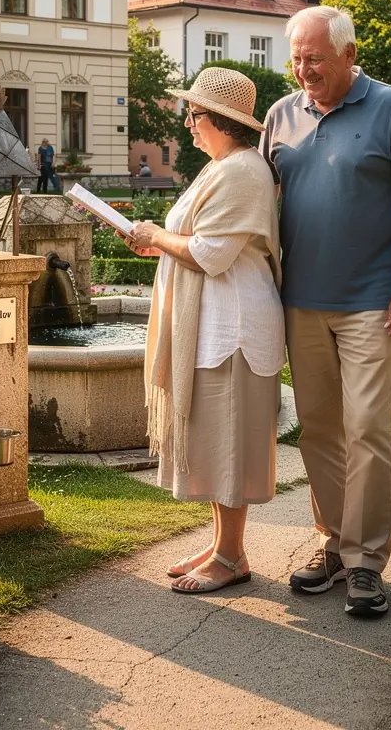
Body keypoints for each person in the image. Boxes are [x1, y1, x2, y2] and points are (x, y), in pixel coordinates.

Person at [260, 5, 391, 619]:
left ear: (349, 55)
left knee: (368, 430)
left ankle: (365, 563)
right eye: (297, 59)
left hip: (372, 302)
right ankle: (332, 544)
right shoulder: (280, 115)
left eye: (315, 58)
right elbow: (263, 199)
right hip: (299, 302)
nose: (303, 70)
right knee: (318, 429)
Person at [124, 67, 284, 595]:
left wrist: (155, 235)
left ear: (219, 120)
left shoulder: (241, 171)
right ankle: (220, 544)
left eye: (193, 115)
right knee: (216, 437)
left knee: (230, 439)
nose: (188, 124)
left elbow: (212, 254)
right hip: (214, 322)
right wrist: (158, 241)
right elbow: (193, 237)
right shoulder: (221, 166)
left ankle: (233, 555)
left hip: (233, 325)